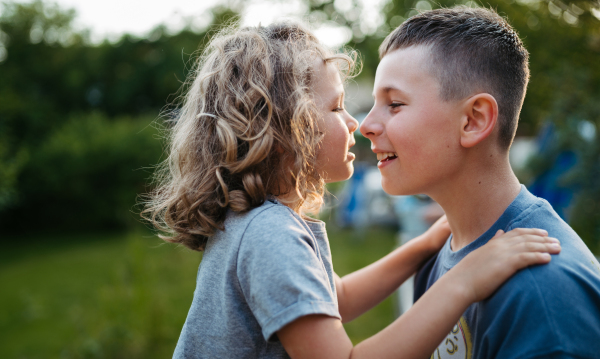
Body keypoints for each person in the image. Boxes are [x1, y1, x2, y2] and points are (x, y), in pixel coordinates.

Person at [144, 21, 560, 359]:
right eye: (336, 107)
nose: (357, 123)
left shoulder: (259, 224)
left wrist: (423, 246)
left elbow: (334, 299)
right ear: (290, 128)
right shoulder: (269, 235)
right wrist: (464, 281)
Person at [360, 6, 600, 359]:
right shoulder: (443, 251)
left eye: (394, 104)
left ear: (473, 120)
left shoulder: (544, 297)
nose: (365, 125)